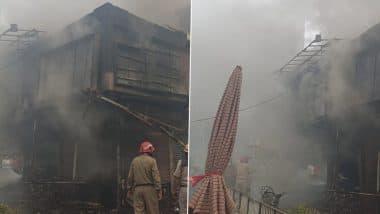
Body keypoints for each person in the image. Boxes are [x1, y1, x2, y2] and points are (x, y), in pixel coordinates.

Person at [127, 141, 162, 214]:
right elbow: (156, 176)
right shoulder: (152, 161)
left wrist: (129, 189)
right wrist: (158, 189)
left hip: (137, 190)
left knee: (139, 212)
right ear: (150, 150)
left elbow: (130, 177)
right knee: (153, 211)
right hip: (150, 190)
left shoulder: (135, 160)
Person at [172, 143, 188, 214]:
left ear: (185, 152)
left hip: (184, 189)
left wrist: (175, 190)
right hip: (194, 189)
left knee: (183, 209)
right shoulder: (196, 163)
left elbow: (176, 177)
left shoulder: (181, 162)